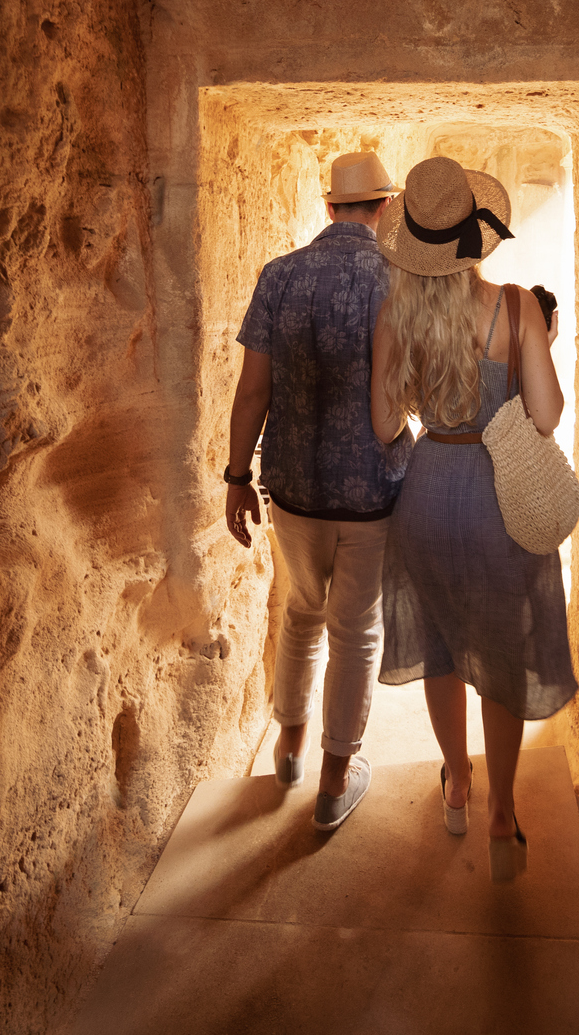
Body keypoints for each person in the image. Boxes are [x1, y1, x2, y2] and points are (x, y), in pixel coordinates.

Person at [368, 155, 574, 881]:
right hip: (497, 496)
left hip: (428, 490)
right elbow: (544, 418)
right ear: (473, 233)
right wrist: (536, 347)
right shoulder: (516, 305)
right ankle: (501, 811)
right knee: (500, 651)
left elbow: (385, 423)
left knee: (441, 647)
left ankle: (455, 782)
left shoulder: (395, 315)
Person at [224, 150, 412, 833]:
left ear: (328, 206)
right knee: (356, 631)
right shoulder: (399, 277)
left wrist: (235, 476)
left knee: (300, 615)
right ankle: (335, 782)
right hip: (372, 490)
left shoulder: (279, 276)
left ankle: (288, 750)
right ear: (385, 207)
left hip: (293, 487)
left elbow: (252, 391)